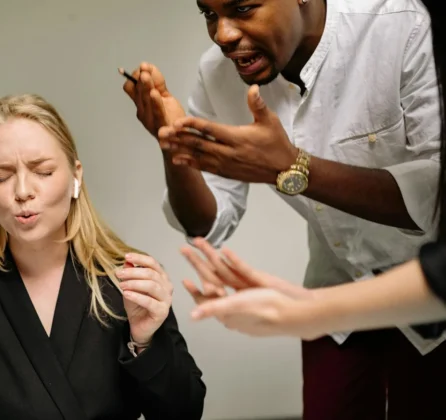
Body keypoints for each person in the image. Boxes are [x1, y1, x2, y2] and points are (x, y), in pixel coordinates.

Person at [121, 0, 443, 419]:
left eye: (243, 7)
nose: (223, 34)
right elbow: (207, 223)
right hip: (335, 296)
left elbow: (437, 193)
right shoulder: (218, 76)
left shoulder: (402, 26)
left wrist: (294, 168)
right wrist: (173, 146)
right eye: (209, 14)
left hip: (432, 290)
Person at [0, 93, 207, 420]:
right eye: (1, 177)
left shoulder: (130, 279)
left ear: (76, 176)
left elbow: (184, 412)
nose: (21, 192)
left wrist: (146, 341)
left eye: (43, 172)